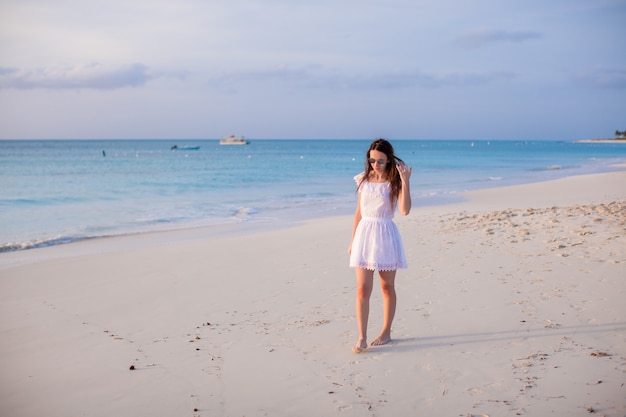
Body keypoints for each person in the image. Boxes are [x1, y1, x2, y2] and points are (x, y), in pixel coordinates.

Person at [348, 138, 412, 353]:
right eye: (372, 160)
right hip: (364, 235)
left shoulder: (394, 182)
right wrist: (352, 240)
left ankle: (386, 332)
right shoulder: (363, 180)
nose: (376, 164)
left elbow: (404, 211)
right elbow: (358, 213)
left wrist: (405, 181)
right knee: (363, 290)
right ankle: (362, 336)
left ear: (389, 160)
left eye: (381, 161)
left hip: (385, 235)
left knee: (387, 287)